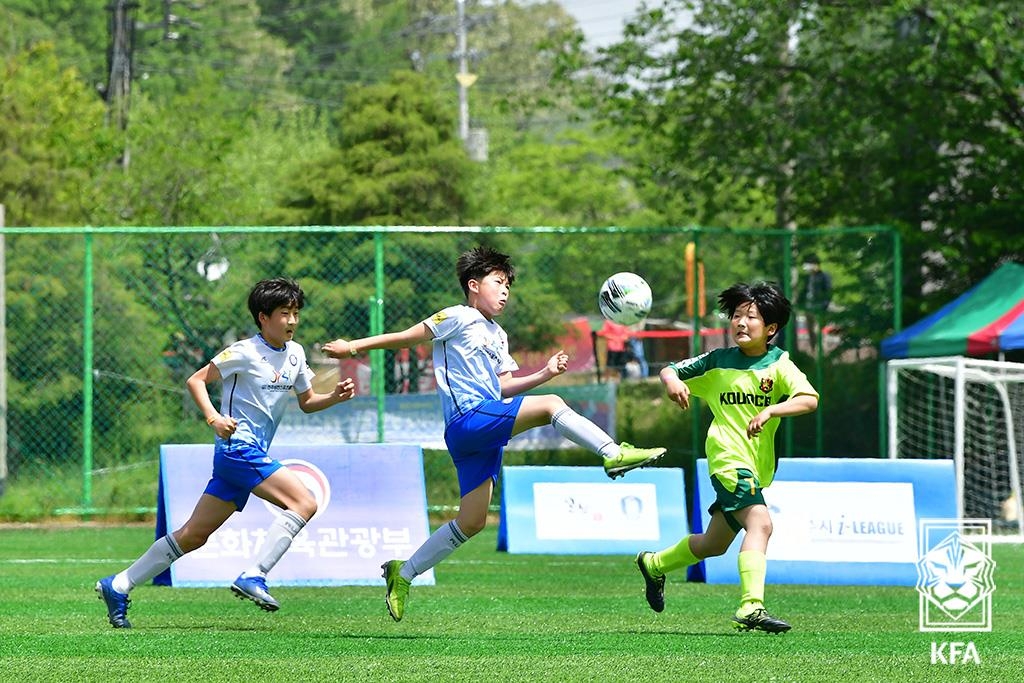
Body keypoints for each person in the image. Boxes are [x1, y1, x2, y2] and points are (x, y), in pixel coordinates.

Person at [322, 245, 666, 622]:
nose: (505, 291)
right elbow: (408, 336)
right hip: (467, 422)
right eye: (498, 282)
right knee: (551, 404)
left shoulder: (498, 335)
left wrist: (544, 374)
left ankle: (403, 573)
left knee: (471, 522)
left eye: (508, 286)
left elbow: (502, 387)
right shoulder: (457, 316)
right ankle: (612, 453)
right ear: (473, 285)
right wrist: (353, 346)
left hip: (485, 426)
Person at [95, 277, 357, 628]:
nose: (292, 321)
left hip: (247, 455)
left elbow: (307, 402)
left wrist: (335, 397)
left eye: (295, 313)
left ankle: (119, 585)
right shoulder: (244, 351)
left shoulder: (295, 354)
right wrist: (214, 418)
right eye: (284, 313)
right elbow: (196, 380)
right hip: (238, 449)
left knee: (193, 535)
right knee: (304, 502)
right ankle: (255, 575)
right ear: (263, 317)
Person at [637, 281, 818, 633]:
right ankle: (751, 607)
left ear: (771, 329)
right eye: (736, 315)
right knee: (761, 524)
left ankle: (654, 563)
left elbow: (809, 399)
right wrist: (671, 380)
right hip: (726, 457)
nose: (741, 323)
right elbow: (670, 369)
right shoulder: (718, 361)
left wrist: (772, 411)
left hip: (757, 465)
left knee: (713, 544)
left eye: (751, 316)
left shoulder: (779, 363)